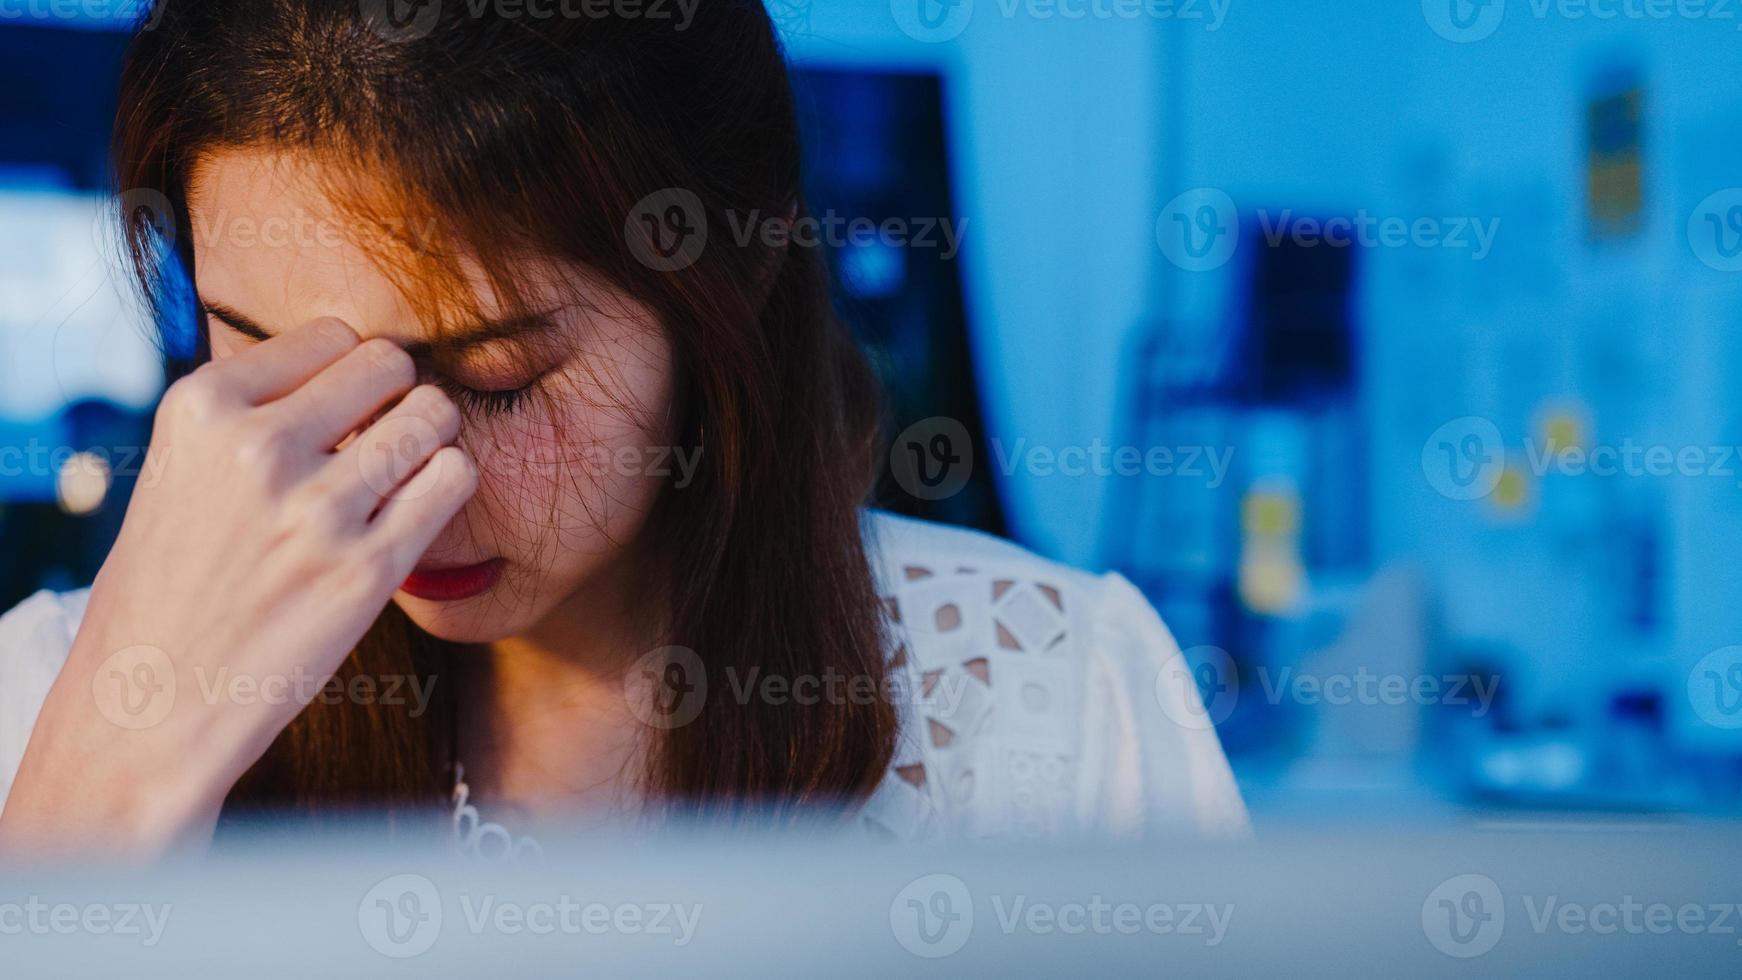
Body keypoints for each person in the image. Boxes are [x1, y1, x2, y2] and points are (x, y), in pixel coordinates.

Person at [0, 0, 1246, 860]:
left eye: (491, 377)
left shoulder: (1047, 697)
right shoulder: (48, 698)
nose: (389, 475)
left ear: (727, 277)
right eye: (269, 357)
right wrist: (106, 787)